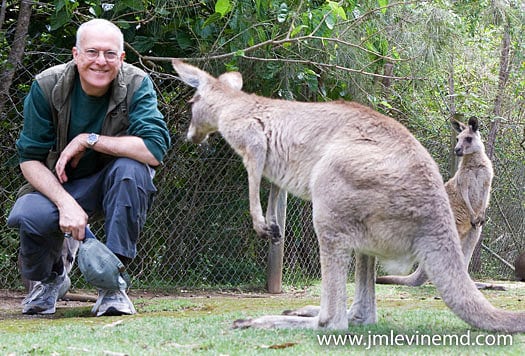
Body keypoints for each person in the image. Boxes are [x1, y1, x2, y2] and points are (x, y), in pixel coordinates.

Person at [7, 18, 171, 316]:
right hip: (59, 184)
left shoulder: (137, 83)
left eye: (110, 54)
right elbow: (29, 158)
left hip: (112, 181)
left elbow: (154, 150)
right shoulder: (46, 85)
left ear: (121, 58)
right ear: (76, 54)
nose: (100, 61)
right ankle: (51, 279)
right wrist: (65, 202)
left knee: (131, 171)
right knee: (28, 214)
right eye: (92, 52)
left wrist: (89, 139)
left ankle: (112, 285)